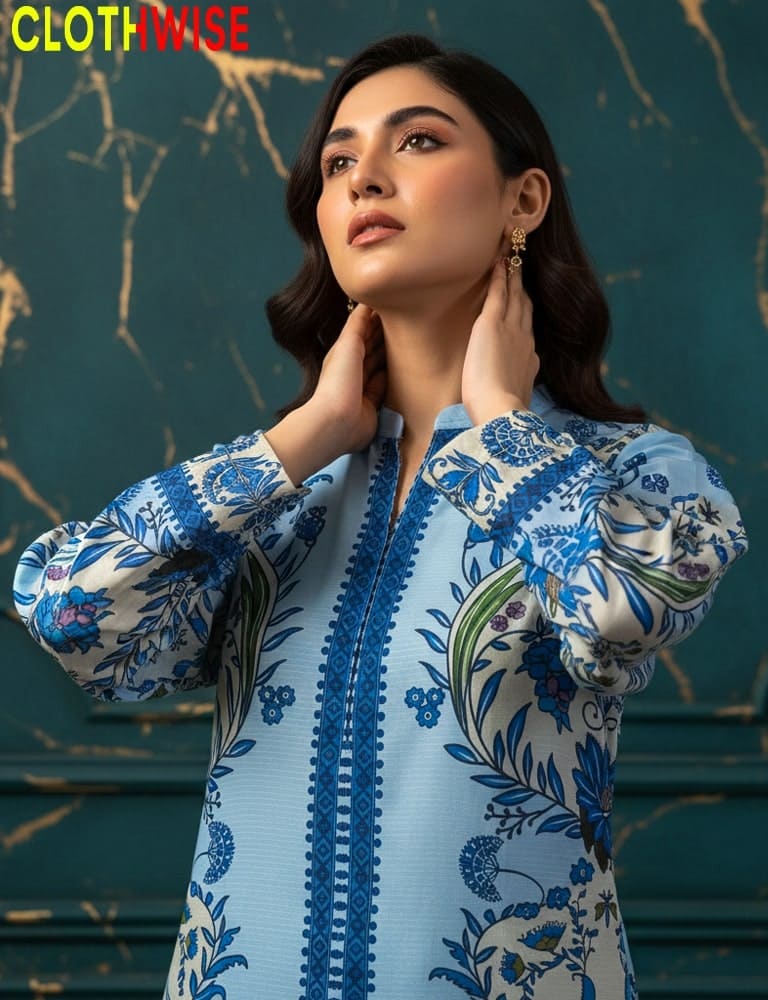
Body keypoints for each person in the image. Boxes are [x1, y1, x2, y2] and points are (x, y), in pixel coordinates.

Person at [12, 33, 747, 1000]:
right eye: (339, 161)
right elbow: (68, 614)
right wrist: (305, 438)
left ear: (523, 200)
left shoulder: (636, 475)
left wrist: (500, 425)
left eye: (419, 142)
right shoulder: (274, 498)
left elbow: (620, 610)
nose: (366, 179)